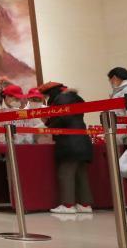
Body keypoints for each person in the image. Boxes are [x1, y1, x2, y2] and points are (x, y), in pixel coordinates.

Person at [37, 81, 94, 214]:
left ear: (50, 93)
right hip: (82, 140)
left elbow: (63, 119)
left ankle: (68, 205)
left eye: (46, 96)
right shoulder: (74, 98)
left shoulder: (61, 100)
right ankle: (85, 204)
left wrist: (48, 124)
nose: (46, 99)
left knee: (66, 173)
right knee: (81, 174)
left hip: (69, 142)